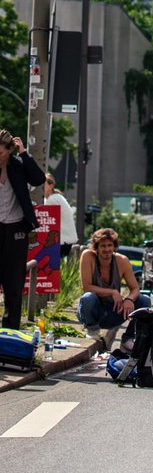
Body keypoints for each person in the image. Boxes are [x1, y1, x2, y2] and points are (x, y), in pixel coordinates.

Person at [0, 130, 46, 330]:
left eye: (1, 152)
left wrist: (25, 154)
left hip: (16, 227)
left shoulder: (18, 166)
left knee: (14, 283)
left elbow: (38, 179)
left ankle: (10, 331)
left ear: (11, 150)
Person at [77, 227, 150, 349]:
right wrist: (112, 292)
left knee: (145, 300)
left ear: (114, 246)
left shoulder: (122, 260)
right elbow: (86, 287)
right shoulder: (88, 256)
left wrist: (129, 299)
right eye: (103, 246)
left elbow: (135, 289)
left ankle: (129, 338)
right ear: (96, 248)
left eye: (110, 245)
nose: (107, 249)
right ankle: (92, 331)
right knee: (87, 297)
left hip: (115, 311)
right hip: (94, 311)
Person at [42, 174, 77, 261]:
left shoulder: (52, 200)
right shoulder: (57, 197)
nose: (40, 187)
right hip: (66, 241)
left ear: (50, 186)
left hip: (61, 242)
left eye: (43, 184)